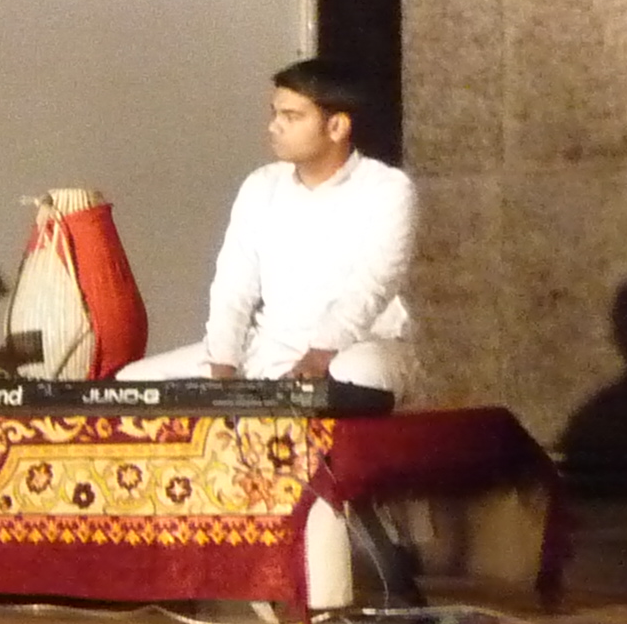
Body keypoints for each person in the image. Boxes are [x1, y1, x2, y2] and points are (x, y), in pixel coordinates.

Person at [123, 58, 414, 392]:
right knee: (133, 381)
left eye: (291, 117)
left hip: (358, 347)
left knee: (355, 375)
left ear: (337, 127)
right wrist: (222, 367)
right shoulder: (261, 185)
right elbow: (233, 287)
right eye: (274, 114)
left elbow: (372, 285)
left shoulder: (387, 188)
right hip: (267, 347)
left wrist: (318, 357)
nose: (274, 127)